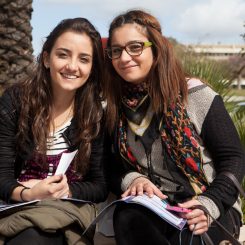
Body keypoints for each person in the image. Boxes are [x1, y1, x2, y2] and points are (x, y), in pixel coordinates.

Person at [103, 9, 245, 245]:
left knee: (189, 236)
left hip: (208, 202)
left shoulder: (195, 94)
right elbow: (109, 165)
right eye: (116, 50)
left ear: (156, 48)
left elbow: (233, 158)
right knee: (127, 219)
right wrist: (132, 179)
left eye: (135, 47)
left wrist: (210, 203)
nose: (124, 57)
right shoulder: (112, 107)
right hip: (154, 205)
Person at [0, 17, 108, 244]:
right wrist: (26, 193)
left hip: (66, 212)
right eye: (63, 55)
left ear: (92, 67)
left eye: (84, 59)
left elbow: (99, 186)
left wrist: (66, 190)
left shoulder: (95, 114)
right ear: (47, 58)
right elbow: (1, 174)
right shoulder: (16, 102)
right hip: (14, 206)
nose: (72, 66)